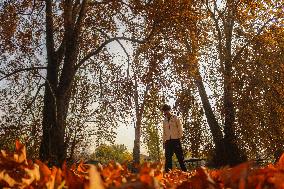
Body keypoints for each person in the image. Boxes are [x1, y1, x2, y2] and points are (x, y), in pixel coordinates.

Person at [161, 104, 187, 172]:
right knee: (168, 158)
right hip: (168, 142)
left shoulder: (176, 118)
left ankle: (185, 172)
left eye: (166, 110)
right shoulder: (164, 121)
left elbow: (180, 128)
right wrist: (164, 142)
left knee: (180, 157)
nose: (165, 112)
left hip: (176, 140)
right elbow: (164, 132)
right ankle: (167, 174)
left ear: (169, 110)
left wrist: (179, 137)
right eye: (164, 111)